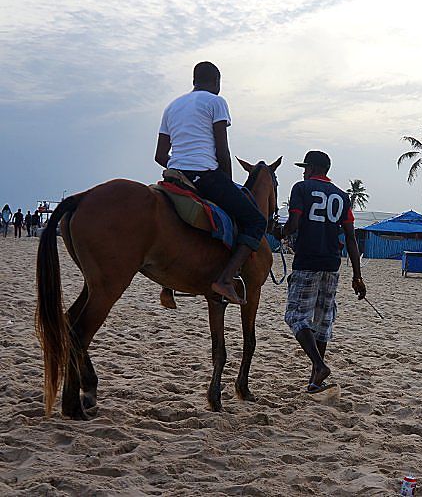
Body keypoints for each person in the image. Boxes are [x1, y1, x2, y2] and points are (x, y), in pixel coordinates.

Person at [154, 61, 266, 305]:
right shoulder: (216, 102)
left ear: (194, 80)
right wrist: (227, 181)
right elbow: (222, 149)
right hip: (205, 175)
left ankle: (168, 284)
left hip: (174, 175)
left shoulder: (172, 106)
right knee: (256, 220)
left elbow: (160, 156)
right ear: (216, 82)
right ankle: (225, 279)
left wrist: (181, 165)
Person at [274, 151, 367, 393]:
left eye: (305, 167)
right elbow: (350, 238)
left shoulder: (301, 188)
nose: (303, 171)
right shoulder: (342, 196)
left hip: (307, 260)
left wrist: (279, 232)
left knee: (295, 316)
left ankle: (319, 365)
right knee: (322, 320)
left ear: (314, 167)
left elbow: (293, 224)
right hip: (332, 263)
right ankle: (316, 381)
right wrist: (357, 276)